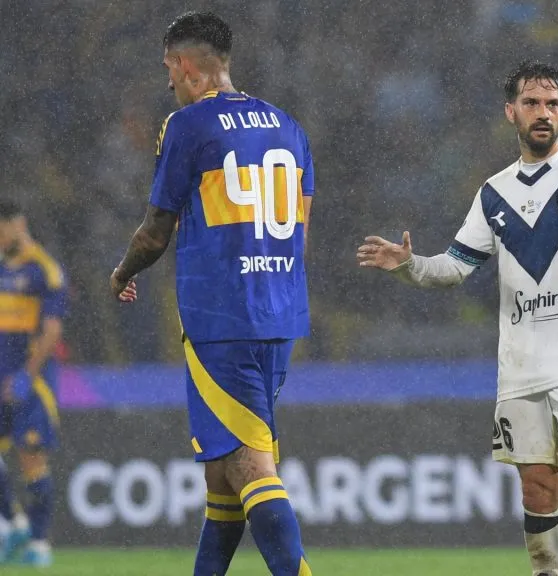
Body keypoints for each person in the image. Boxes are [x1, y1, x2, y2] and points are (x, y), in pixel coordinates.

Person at [357, 60, 558, 576]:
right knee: (538, 486)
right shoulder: (494, 193)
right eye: (531, 103)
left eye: (552, 104)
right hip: (524, 362)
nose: (543, 113)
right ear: (511, 112)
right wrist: (410, 267)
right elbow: (454, 268)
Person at [109, 12, 314, 576]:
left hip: (222, 314)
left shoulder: (188, 125)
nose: (168, 82)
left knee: (250, 466)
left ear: (185, 65)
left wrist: (123, 272)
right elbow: (302, 229)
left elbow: (156, 230)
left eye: (169, 69)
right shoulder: (288, 126)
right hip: (280, 310)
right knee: (222, 476)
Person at [0, 202, 66, 567]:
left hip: (31, 385)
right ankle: (15, 522)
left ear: (17, 224)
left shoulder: (44, 270)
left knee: (31, 460)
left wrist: (27, 374)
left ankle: (39, 544)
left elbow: (52, 330)